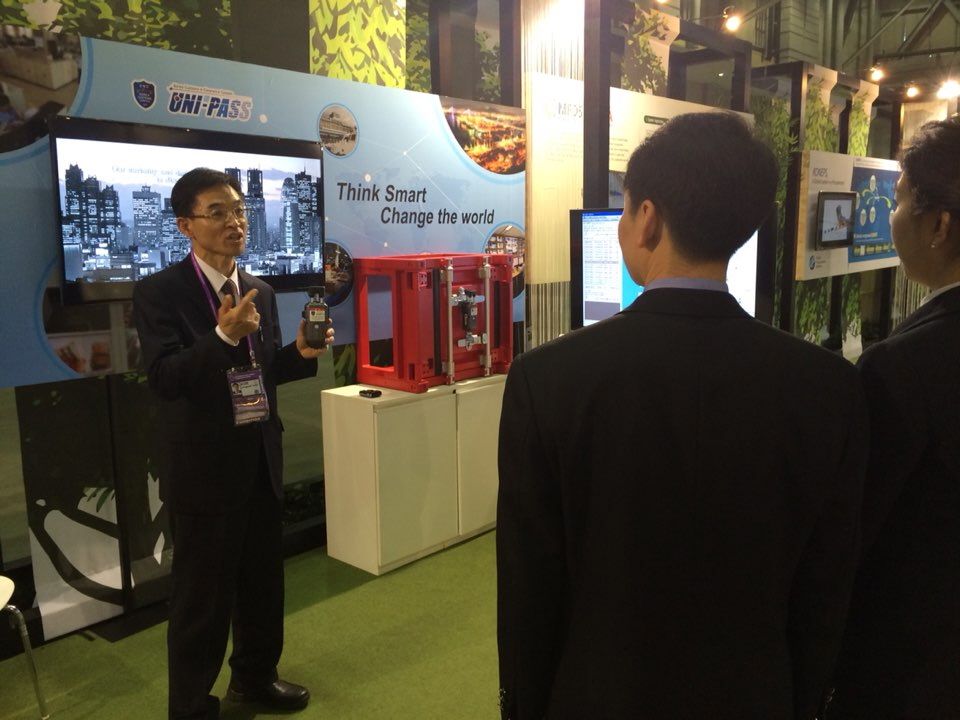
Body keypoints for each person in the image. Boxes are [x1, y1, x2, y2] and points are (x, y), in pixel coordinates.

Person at [496, 112, 869, 720]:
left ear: (647, 218)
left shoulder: (547, 379)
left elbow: (529, 587)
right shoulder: (830, 388)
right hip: (756, 695)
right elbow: (825, 589)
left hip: (597, 696)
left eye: (623, 210)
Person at [133, 167, 333, 720]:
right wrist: (222, 335)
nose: (235, 222)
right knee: (202, 600)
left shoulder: (259, 291)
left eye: (239, 210)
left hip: (259, 461)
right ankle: (191, 707)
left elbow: (259, 374)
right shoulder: (160, 292)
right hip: (203, 471)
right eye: (217, 212)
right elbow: (165, 379)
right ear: (185, 225)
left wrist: (299, 354)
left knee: (263, 585)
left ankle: (255, 678)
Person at [829, 117, 960, 719]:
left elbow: (855, 530)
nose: (891, 217)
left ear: (939, 226)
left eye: (901, 200)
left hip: (913, 667)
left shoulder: (904, 366)